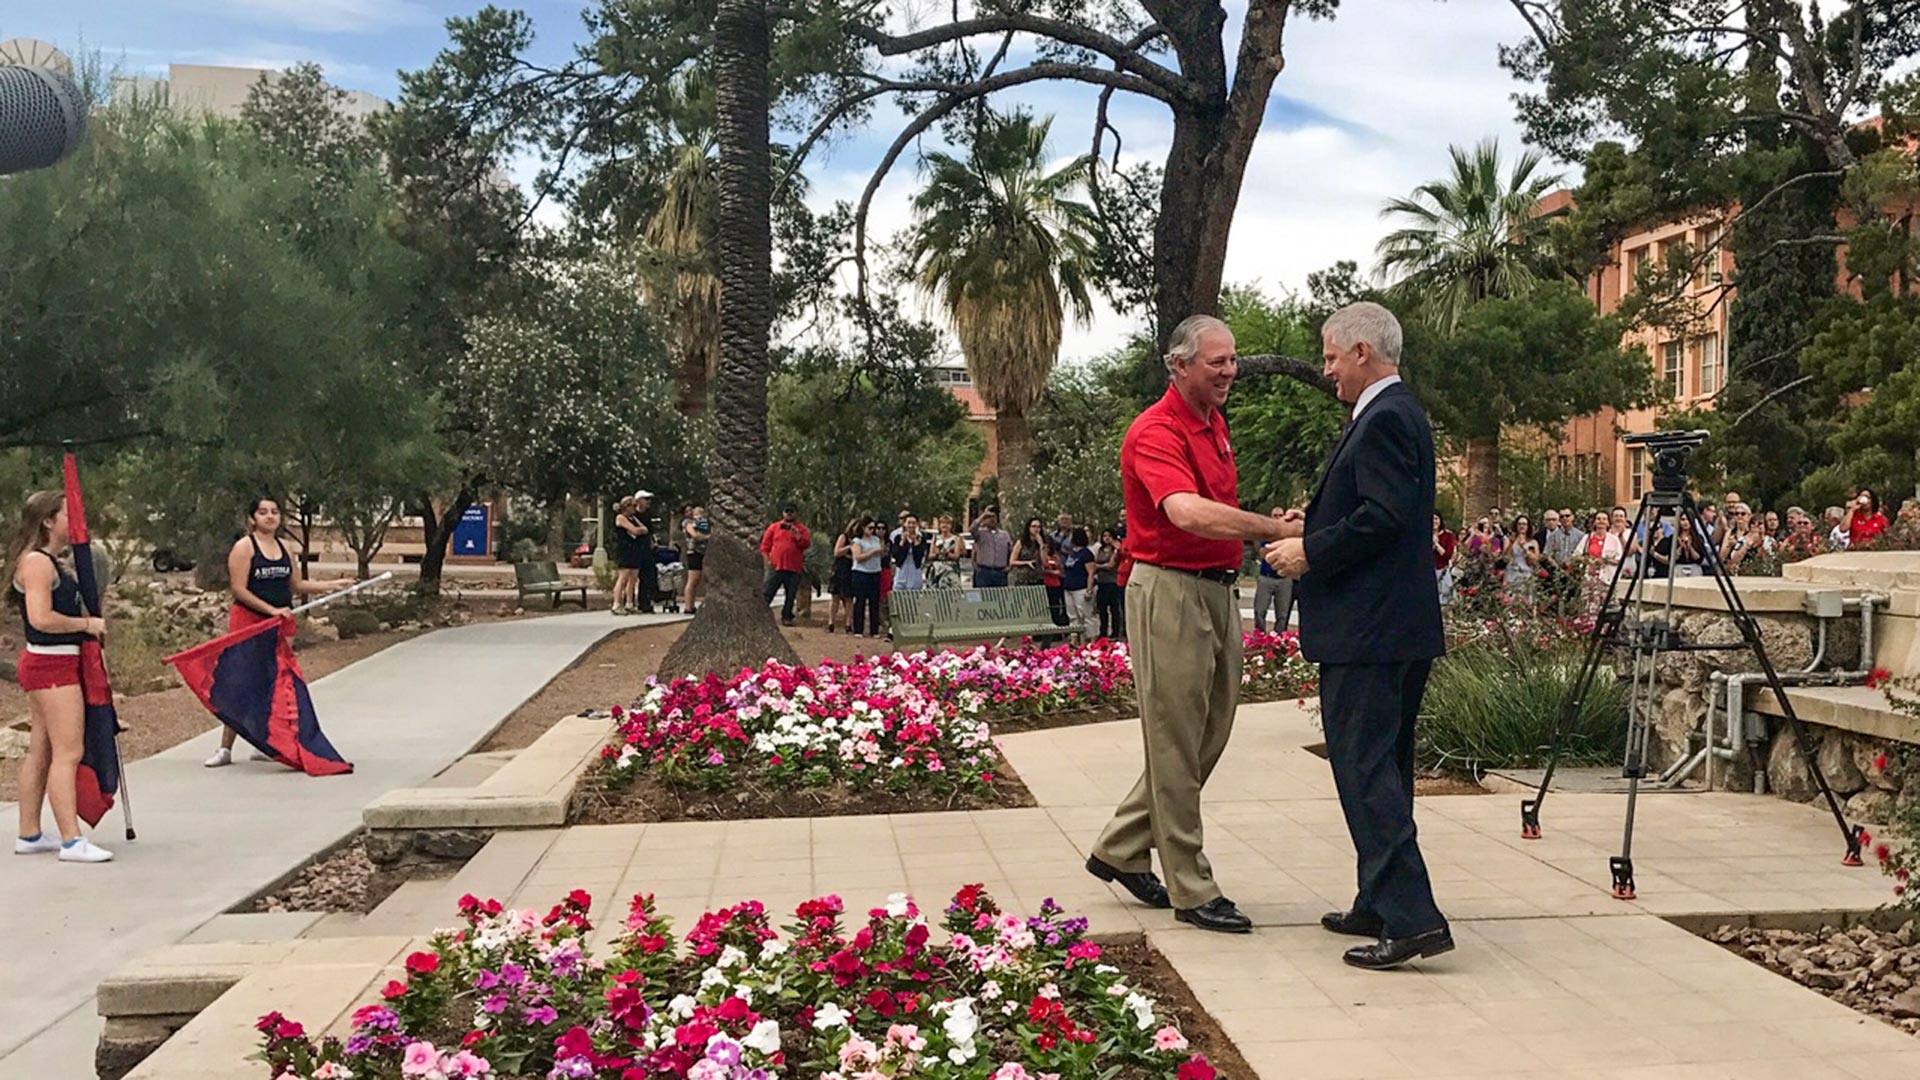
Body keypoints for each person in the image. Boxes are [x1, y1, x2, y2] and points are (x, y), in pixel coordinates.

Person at [1085, 313, 1289, 936]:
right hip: (1170, 589)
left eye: (1233, 360)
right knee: (1176, 741)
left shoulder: (1214, 425)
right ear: (1179, 365)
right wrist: (1274, 529)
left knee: (1207, 735)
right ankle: (1191, 886)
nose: (1231, 371)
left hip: (1218, 590)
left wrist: (1264, 524)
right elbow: (1188, 513)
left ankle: (1120, 846)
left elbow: (1217, 514)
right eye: (1217, 362)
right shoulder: (1156, 431)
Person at [1264, 301, 1452, 969]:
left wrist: (1310, 552)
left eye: (1332, 357)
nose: (1328, 369)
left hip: (1371, 632)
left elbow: (1384, 517)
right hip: (1392, 628)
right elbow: (1379, 511)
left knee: (1365, 770)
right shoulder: (1394, 415)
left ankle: (1412, 916)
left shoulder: (1385, 417)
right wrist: (1312, 523)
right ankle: (1378, 898)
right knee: (1384, 770)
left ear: (1362, 352)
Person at [204, 496, 352, 768]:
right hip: (249, 622)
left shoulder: (286, 547)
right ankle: (225, 748)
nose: (270, 516)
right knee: (242, 683)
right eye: (262, 512)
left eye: (274, 512)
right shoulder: (244, 547)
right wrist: (270, 609)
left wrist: (333, 584)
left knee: (274, 682)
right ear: (252, 519)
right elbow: (239, 589)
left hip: (281, 623)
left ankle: (267, 742)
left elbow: (295, 585)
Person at [9, 491, 114, 862]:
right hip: (50, 665)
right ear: (48, 521)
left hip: (53, 663)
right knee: (69, 751)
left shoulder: (51, 561)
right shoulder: (38, 564)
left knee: (43, 748)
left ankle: (30, 832)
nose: (76, 521)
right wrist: (86, 624)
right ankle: (71, 839)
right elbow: (40, 618)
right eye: (69, 514)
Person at [757, 506, 810, 628]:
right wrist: (767, 562)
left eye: (792, 511)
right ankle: (760, 615)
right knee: (767, 592)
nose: (789, 514)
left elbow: (806, 544)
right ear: (783, 513)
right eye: (787, 511)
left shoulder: (802, 529)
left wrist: (797, 535)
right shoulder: (774, 527)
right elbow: (764, 546)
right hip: (776, 566)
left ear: (796, 513)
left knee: (790, 595)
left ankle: (787, 617)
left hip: (794, 568)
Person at [1252, 507, 1297, 633]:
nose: (1277, 518)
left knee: (1282, 614)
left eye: (1280, 515)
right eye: (1275, 515)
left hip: (1284, 578)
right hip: (1266, 577)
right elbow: (1262, 552)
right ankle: (1259, 636)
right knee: (1260, 610)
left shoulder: (1289, 534)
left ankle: (1278, 640)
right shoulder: (1265, 534)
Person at [848, 517, 886, 638]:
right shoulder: (857, 541)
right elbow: (858, 557)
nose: (872, 530)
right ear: (863, 528)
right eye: (870, 528)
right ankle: (858, 629)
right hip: (861, 573)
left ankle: (874, 630)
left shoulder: (876, 539)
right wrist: (873, 552)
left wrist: (881, 551)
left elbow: (881, 553)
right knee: (860, 601)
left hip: (875, 572)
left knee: (874, 602)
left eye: (874, 528)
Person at [1059, 527, 1097, 637]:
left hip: (1081, 587)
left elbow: (1091, 572)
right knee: (1073, 616)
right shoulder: (1072, 553)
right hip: (1069, 587)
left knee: (1086, 615)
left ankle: (1092, 639)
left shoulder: (1086, 554)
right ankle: (1074, 640)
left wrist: (1089, 590)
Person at [827, 517, 860, 633]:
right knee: (835, 596)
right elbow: (837, 552)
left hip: (852, 570)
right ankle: (831, 622)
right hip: (840, 569)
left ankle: (848, 624)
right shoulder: (844, 537)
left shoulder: (860, 540)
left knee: (849, 598)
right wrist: (849, 547)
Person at [1093, 527, 1126, 639]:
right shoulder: (1100, 550)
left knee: (1114, 608)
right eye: (1104, 536)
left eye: (1109, 536)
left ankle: (1115, 632)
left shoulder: (1116, 550)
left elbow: (1111, 564)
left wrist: (1099, 566)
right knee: (1102, 609)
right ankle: (1103, 632)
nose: (1107, 538)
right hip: (1102, 582)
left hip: (1112, 581)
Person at [1651, 512, 1706, 577]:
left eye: (1688, 519)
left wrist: (1690, 547)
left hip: (1695, 568)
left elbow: (1699, 559)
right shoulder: (1673, 538)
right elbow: (1671, 558)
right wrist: (1680, 547)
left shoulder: (1698, 538)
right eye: (1683, 519)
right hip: (1678, 569)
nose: (1685, 522)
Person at [968, 506, 1013, 587]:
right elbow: (972, 529)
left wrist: (1009, 566)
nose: (991, 520)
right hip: (984, 571)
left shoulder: (1005, 535)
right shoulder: (980, 534)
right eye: (988, 517)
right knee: (983, 597)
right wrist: (983, 515)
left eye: (993, 517)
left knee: (1000, 597)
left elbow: (1010, 551)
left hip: (1000, 572)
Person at [889, 514, 930, 592]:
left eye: (913, 523)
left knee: (914, 591)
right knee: (899, 590)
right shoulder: (898, 537)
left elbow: (920, 555)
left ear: (917, 524)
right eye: (909, 523)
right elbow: (895, 554)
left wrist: (915, 543)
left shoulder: (921, 538)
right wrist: (902, 542)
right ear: (904, 524)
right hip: (902, 568)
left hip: (914, 568)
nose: (911, 525)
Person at [681, 506, 709, 613]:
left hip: (702, 552)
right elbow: (695, 535)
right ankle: (688, 606)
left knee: (697, 580)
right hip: (694, 552)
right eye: (687, 511)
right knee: (693, 579)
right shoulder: (688, 523)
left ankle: (692, 605)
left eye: (691, 510)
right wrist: (708, 537)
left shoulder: (700, 522)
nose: (690, 512)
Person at [927, 514, 966, 588]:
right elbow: (930, 555)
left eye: (948, 523)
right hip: (937, 569)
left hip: (951, 570)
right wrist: (936, 554)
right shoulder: (935, 538)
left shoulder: (956, 539)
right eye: (942, 523)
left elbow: (956, 556)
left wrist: (946, 553)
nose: (945, 525)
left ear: (951, 526)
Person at [1012, 517, 1049, 588]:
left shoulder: (1043, 543)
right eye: (1034, 526)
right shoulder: (1021, 542)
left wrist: (1041, 545)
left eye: (1039, 527)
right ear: (1029, 528)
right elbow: (1012, 561)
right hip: (1023, 577)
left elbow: (1044, 561)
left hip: (1038, 577)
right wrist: (1027, 562)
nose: (1036, 529)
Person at [1431, 514, 1457, 605]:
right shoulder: (1423, 535)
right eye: (1432, 519)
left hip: (1442, 571)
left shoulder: (1448, 536)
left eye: (1436, 518)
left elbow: (1447, 555)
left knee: (1445, 600)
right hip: (1427, 572)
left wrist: (1436, 544)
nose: (1434, 521)